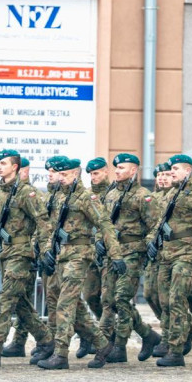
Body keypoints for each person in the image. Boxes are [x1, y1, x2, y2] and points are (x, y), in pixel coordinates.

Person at [0, 149, 55, 367]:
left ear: (15, 167)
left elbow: (43, 222)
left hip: (21, 253)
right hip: (6, 253)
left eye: (4, 163)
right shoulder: (3, 192)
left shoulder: (26, 193)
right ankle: (46, 340)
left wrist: (44, 250)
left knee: (6, 300)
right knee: (20, 303)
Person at [35, 157, 117, 369]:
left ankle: (61, 354)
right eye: (59, 175)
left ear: (75, 174)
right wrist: (46, 252)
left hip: (79, 254)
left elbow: (105, 224)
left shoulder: (86, 197)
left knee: (65, 303)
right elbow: (50, 228)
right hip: (61, 254)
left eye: (65, 174)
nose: (61, 178)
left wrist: (115, 254)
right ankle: (102, 343)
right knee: (76, 306)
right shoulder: (60, 197)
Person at [147, 154, 192, 367]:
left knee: (177, 299)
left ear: (187, 171)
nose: (171, 172)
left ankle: (176, 350)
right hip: (167, 253)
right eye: (171, 169)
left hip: (188, 254)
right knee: (164, 301)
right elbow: (159, 223)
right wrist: (152, 240)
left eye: (176, 169)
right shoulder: (170, 193)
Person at [103, 153, 161, 362]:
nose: (117, 171)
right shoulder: (110, 195)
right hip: (113, 253)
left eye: (122, 168)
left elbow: (155, 226)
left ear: (134, 170)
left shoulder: (143, 196)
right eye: (116, 168)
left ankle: (120, 346)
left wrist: (146, 247)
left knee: (122, 298)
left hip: (132, 253)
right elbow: (104, 223)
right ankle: (148, 335)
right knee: (109, 300)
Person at [5, 155, 63, 358]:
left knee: (45, 300)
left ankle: (50, 342)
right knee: (23, 299)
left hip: (35, 254)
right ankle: (24, 342)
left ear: (25, 171)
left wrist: (41, 250)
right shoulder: (14, 193)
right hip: (30, 253)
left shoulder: (31, 194)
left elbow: (42, 225)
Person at [79, 156, 111, 358]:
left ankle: (107, 339)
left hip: (109, 252)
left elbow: (109, 224)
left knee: (109, 299)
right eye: (90, 174)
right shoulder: (87, 195)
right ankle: (101, 333)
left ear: (106, 172)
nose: (93, 177)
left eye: (97, 173)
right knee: (90, 296)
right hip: (91, 253)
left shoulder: (114, 194)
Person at [142, 161, 171, 357]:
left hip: (172, 253)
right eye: (159, 175)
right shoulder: (151, 198)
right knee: (150, 293)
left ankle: (171, 336)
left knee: (168, 298)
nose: (162, 178)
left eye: (166, 175)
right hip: (154, 254)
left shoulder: (175, 197)